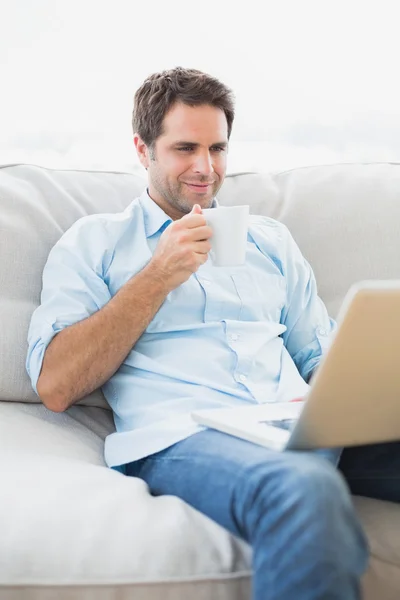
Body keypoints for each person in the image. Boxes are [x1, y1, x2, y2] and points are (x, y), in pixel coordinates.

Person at [26, 66, 399, 599]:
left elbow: (318, 355)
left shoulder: (269, 241)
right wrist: (158, 275)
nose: (206, 169)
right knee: (302, 487)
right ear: (143, 149)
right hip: (185, 435)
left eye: (218, 149)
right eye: (185, 148)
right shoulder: (97, 243)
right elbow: (56, 384)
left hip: (293, 422)